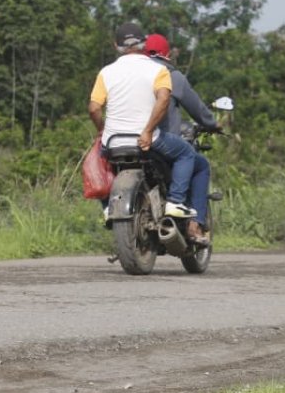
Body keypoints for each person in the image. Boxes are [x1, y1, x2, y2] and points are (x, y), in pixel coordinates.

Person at [88, 23, 196, 219]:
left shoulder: (106, 72)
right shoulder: (158, 70)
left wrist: (102, 130)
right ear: (144, 43)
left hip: (113, 142)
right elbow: (163, 99)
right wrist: (148, 130)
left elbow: (94, 108)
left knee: (99, 165)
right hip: (148, 139)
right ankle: (175, 202)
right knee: (187, 153)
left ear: (116, 45)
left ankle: (108, 207)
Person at [145, 33, 217, 245]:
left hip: (128, 138)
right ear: (166, 54)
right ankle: (194, 223)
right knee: (200, 164)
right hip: (159, 141)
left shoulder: (133, 73)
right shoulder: (172, 76)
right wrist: (213, 123)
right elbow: (197, 109)